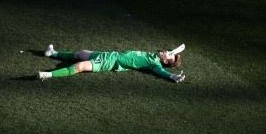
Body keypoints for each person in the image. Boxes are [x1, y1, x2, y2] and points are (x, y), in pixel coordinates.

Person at [38, 44, 186, 83]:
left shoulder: (155, 64)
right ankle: (53, 53)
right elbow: (168, 52)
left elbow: (162, 72)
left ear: (165, 61)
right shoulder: (153, 55)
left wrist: (172, 77)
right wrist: (173, 52)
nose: (167, 51)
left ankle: (48, 74)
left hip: (109, 62)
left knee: (80, 66)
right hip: (109, 54)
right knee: (80, 53)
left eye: (169, 54)